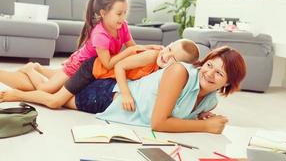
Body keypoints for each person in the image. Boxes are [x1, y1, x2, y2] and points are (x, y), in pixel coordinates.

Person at [1, 46, 246, 133]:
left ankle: (33, 71)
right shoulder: (179, 71)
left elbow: (177, 113)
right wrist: (204, 126)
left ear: (227, 84)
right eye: (209, 65)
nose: (209, 73)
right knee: (52, 97)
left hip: (111, 93)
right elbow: (159, 122)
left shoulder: (209, 102)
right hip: (108, 96)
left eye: (219, 73)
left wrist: (197, 116)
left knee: (55, 90)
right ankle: (30, 76)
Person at [0, 0, 155, 93]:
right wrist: (128, 51)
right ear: (103, 13)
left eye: (125, 13)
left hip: (89, 64)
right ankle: (30, 69)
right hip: (79, 66)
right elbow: (108, 63)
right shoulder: (100, 35)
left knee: (57, 77)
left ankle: (38, 68)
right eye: (119, 13)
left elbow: (133, 47)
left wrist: (150, 50)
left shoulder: (123, 26)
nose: (123, 17)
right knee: (46, 89)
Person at [0, 39, 200, 112]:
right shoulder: (152, 57)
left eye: (173, 58)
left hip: (102, 75)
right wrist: (126, 94)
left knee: (55, 79)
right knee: (54, 99)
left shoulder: (163, 71)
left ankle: (34, 70)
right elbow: (120, 67)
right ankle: (20, 90)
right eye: (170, 48)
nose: (166, 55)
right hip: (93, 70)